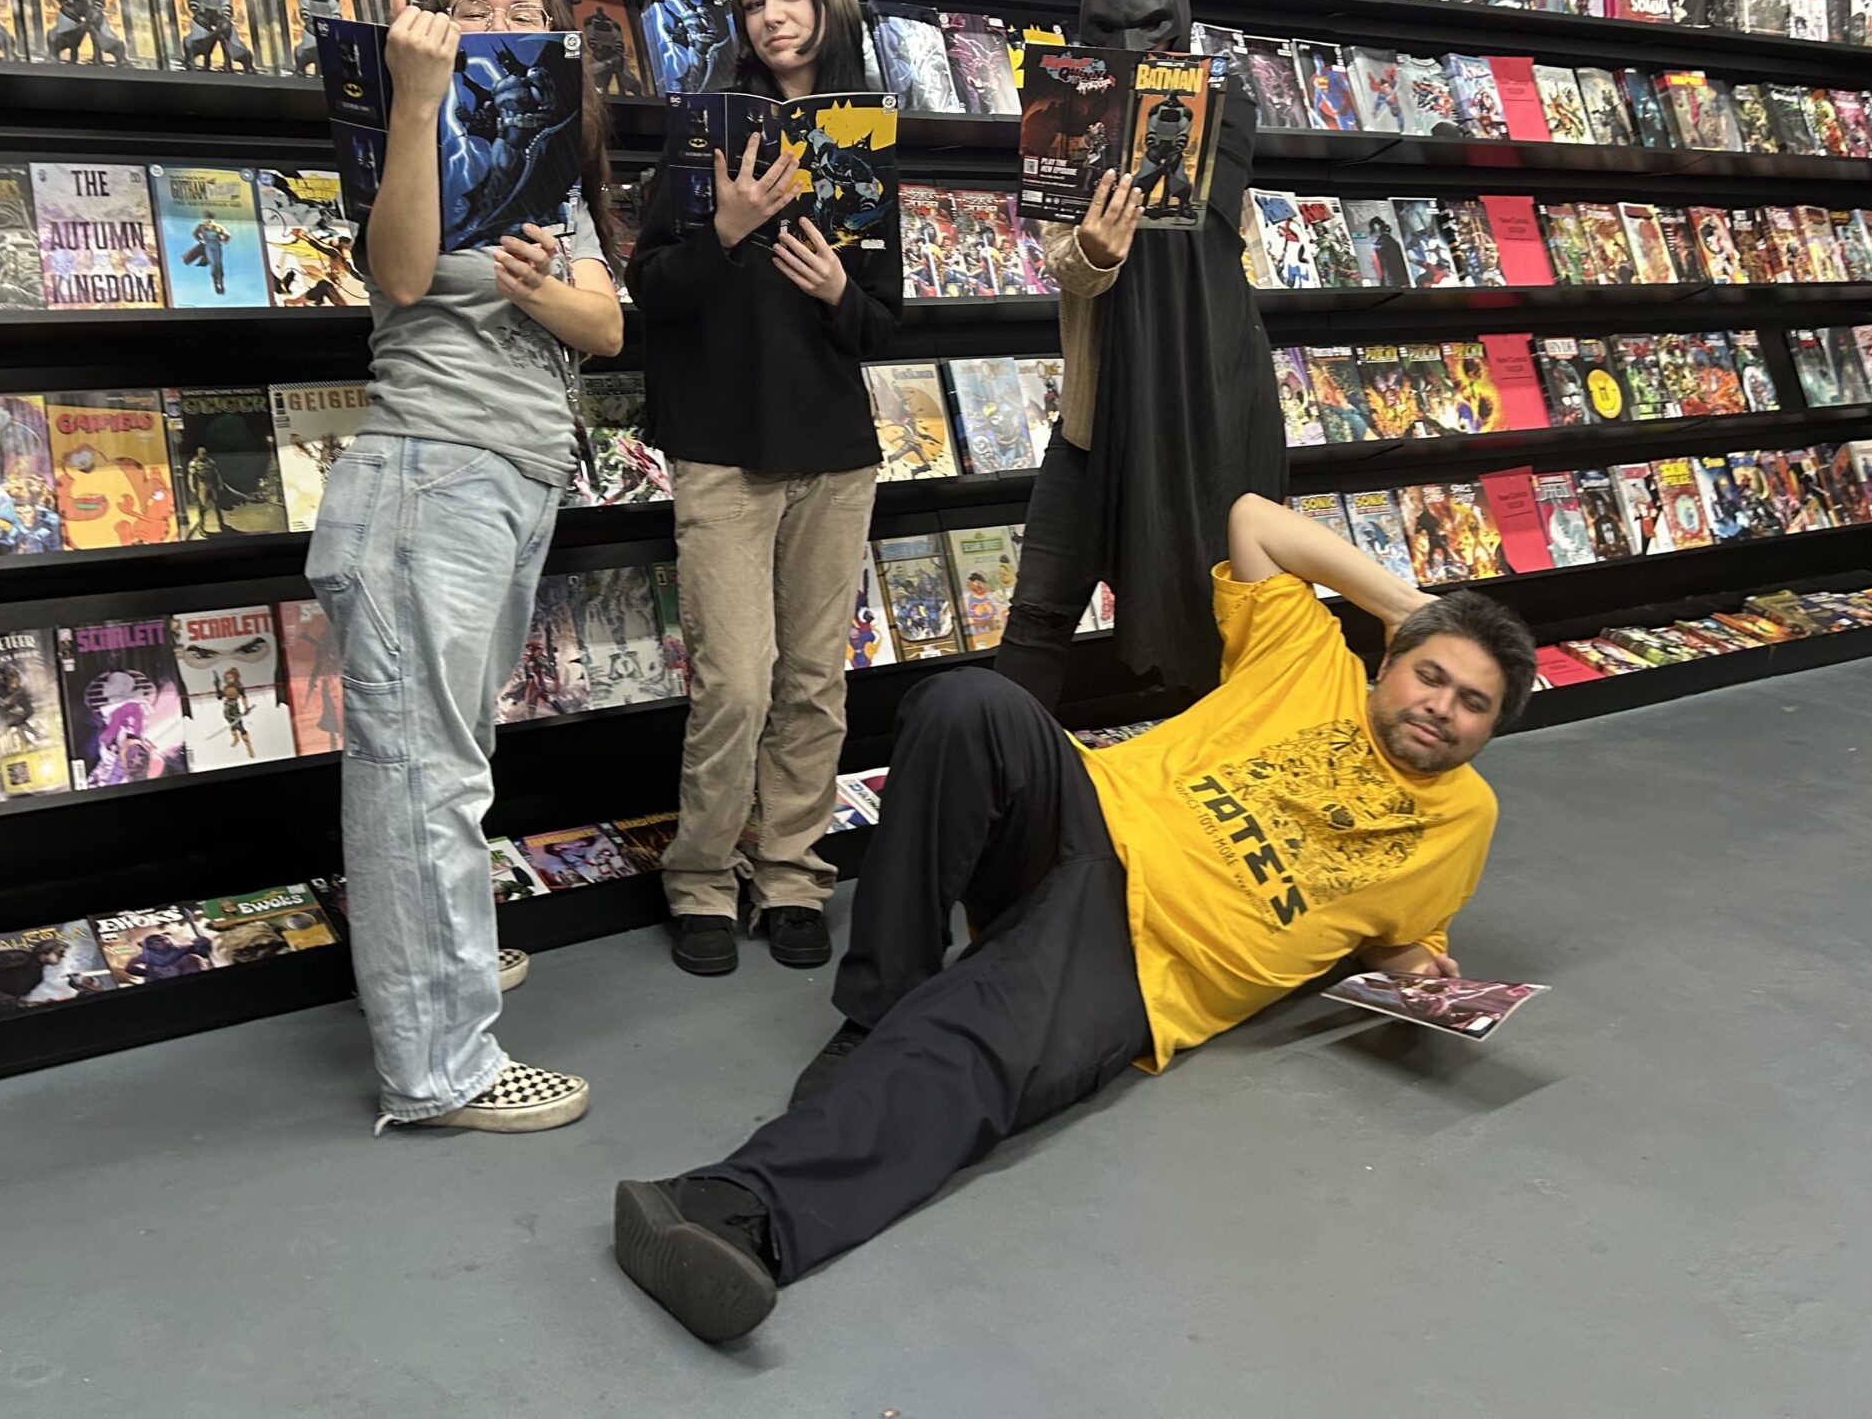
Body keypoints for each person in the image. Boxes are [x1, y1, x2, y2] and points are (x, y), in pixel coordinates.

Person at [612, 493, 1533, 1341]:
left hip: (1149, 954)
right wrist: (1415, 605)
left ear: (1493, 729)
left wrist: (1417, 967)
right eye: (1429, 674)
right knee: (970, 704)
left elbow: (1405, 932)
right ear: (1390, 658)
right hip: (1081, 811)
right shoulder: (1309, 662)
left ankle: (729, 1213)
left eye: (1473, 703)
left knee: (974, 1039)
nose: (1440, 707)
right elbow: (1255, 518)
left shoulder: (1466, 820)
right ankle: (877, 1011)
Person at [306, 0, 625, 1134]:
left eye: (523, 14)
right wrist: (417, 100)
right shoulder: (411, 134)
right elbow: (397, 272)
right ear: (431, 24)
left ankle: (433, 965)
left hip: (508, 481)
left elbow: (603, 325)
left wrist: (536, 286)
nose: (497, 23)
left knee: (448, 759)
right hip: (428, 474)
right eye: (471, 8)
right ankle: (440, 1068)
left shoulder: (545, 174)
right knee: (422, 773)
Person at [627, 0, 902, 977]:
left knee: (813, 681)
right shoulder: (705, 133)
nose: (775, 17)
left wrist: (838, 291)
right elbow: (651, 292)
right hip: (720, 445)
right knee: (735, 684)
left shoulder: (862, 136)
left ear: (831, 6)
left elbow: (885, 322)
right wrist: (726, 232)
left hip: (831, 446)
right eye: (754, 2)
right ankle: (702, 877)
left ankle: (792, 871)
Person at [992, 0, 1283, 712]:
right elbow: (1065, 261)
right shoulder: (1063, 109)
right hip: (1096, 420)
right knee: (1037, 615)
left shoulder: (1225, 111)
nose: (1130, 43)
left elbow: (1233, 257)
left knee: (1214, 621)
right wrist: (1096, 247)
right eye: (1107, 27)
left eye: (1151, 23)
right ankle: (1004, 778)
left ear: (1180, 17)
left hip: (1207, 415)